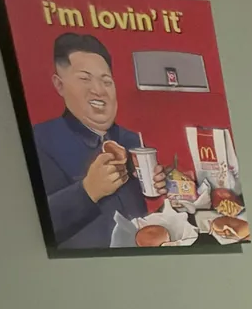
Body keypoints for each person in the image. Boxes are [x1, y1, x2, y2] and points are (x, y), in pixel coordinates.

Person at [31, 32, 161, 249]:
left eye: (106, 81)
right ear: (59, 84)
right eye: (84, 78)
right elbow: (35, 223)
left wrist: (160, 184)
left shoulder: (131, 139)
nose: (99, 90)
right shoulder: (40, 139)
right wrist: (88, 190)